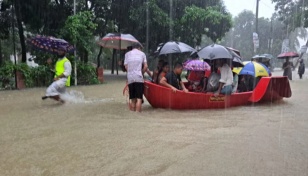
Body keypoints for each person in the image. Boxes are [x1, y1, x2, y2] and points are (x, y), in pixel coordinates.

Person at [124, 43, 148, 112]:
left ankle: (133, 115)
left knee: (133, 99)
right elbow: (146, 67)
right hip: (139, 77)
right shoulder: (142, 54)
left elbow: (126, 67)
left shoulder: (127, 54)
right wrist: (141, 72)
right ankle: (137, 115)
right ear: (139, 48)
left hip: (130, 78)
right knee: (139, 98)